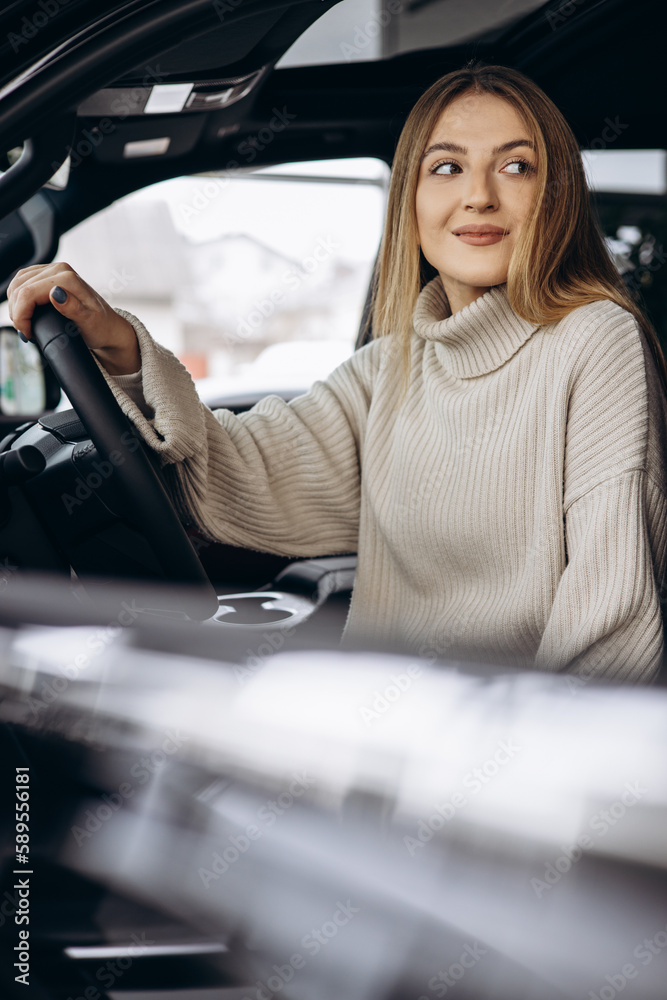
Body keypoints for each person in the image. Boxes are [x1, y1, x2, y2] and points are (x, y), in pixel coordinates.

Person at [8, 63, 667, 681]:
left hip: (498, 766)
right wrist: (119, 344)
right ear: (408, 199)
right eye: (446, 167)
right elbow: (238, 470)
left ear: (553, 197)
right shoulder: (392, 366)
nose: (477, 196)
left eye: (516, 167)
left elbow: (610, 628)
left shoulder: (593, 340)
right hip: (378, 734)